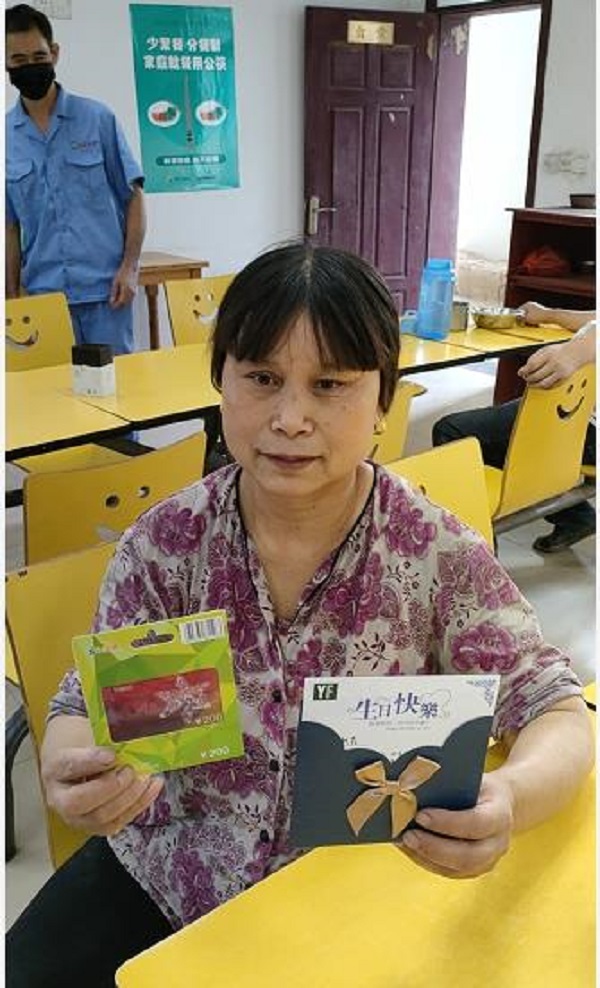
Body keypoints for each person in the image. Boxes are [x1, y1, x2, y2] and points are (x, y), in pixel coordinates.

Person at [6, 245, 594, 987]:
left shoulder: (431, 552)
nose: (290, 419)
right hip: (170, 861)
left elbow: (556, 709)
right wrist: (74, 768)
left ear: (383, 400)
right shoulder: (168, 545)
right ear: (220, 381)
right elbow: (84, 707)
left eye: (330, 385)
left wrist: (509, 797)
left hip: (351, 885)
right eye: (261, 378)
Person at [5, 4, 146, 355]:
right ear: (6, 63)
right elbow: (9, 227)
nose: (30, 66)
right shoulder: (6, 136)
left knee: (113, 385)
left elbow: (134, 197)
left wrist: (130, 268)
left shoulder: (97, 119)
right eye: (19, 59)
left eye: (38, 56)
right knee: (52, 387)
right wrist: (11, 295)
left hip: (107, 293)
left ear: (54, 53)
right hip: (44, 298)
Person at [432, 302, 596, 553]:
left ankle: (480, 547)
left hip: (587, 425)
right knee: (496, 433)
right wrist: (549, 314)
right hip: (582, 411)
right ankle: (574, 515)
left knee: (453, 431)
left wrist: (574, 352)